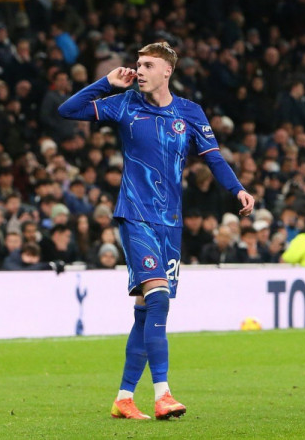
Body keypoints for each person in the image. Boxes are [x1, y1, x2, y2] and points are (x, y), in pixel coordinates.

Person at [57, 41, 254, 420]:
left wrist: (238, 189)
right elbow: (68, 110)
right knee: (159, 298)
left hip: (171, 222)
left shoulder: (190, 112)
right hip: (136, 214)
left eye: (148, 65)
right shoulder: (125, 104)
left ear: (168, 71)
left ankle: (124, 398)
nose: (140, 71)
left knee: (147, 311)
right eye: (138, 64)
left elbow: (214, 158)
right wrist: (106, 83)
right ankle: (163, 394)